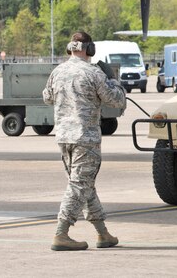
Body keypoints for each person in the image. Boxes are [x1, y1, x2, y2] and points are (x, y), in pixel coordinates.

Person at [43, 32, 126, 251]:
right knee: (79, 185)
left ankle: (103, 234)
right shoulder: (93, 73)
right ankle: (61, 233)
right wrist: (114, 81)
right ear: (89, 49)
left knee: (84, 184)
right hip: (85, 138)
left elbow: (47, 97)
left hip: (64, 137)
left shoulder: (58, 71)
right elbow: (116, 100)